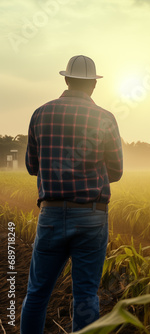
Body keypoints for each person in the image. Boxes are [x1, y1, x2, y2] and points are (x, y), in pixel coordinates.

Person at [21, 55, 123, 333]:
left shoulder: (41, 113)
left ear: (66, 80)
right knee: (86, 294)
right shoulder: (105, 118)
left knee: (38, 292)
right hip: (92, 216)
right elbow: (116, 171)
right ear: (93, 85)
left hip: (51, 213)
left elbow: (32, 166)